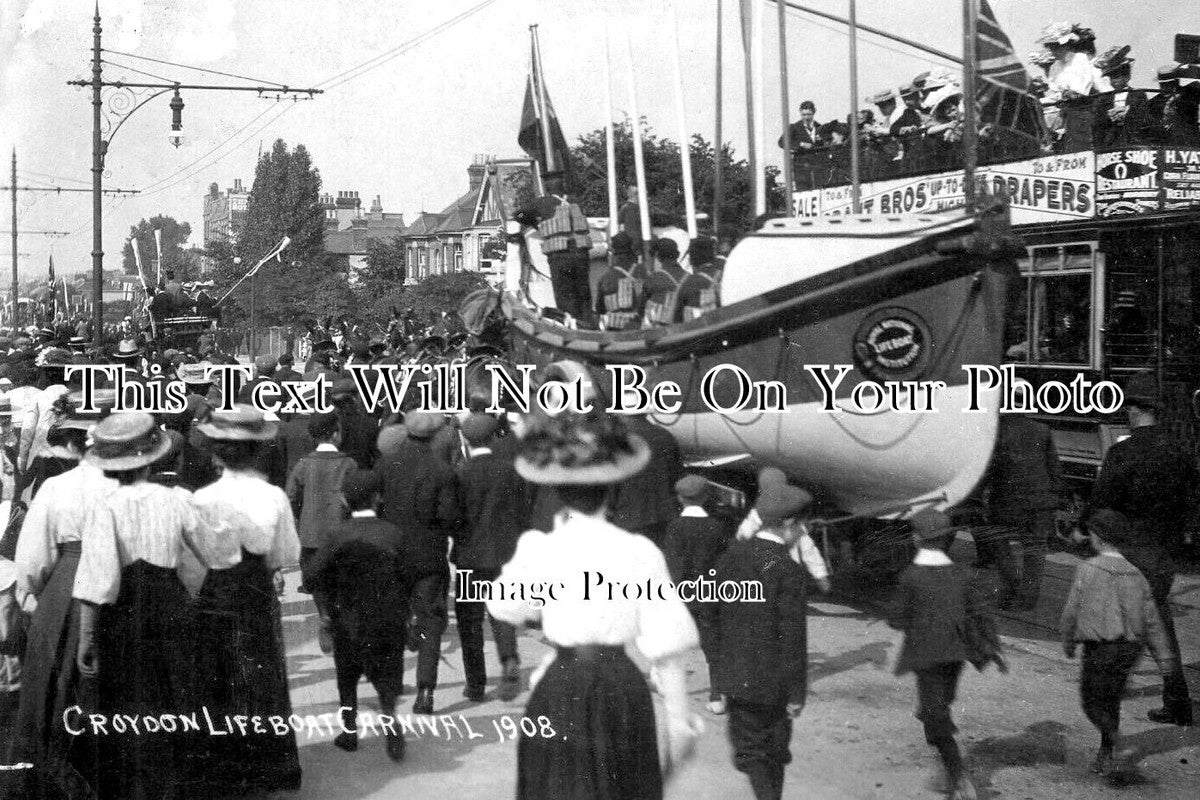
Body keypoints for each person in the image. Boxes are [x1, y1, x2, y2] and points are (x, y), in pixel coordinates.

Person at [487, 410, 702, 800]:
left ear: (560, 490)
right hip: (621, 685)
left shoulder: (540, 546)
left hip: (561, 685)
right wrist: (678, 723)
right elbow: (668, 647)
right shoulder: (640, 551)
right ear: (612, 488)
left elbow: (503, 607)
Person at [71, 412, 209, 800]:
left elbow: (99, 575)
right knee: (173, 693)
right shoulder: (177, 500)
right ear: (152, 458)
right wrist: (190, 596)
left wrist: (87, 635)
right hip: (170, 603)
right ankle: (171, 783)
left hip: (123, 611)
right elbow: (203, 560)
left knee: (126, 700)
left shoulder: (106, 506)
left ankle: (135, 785)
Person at [190, 406, 303, 793]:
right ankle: (266, 766)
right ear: (258, 451)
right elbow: (287, 554)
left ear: (215, 453)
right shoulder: (272, 496)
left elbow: (192, 557)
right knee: (261, 675)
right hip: (255, 590)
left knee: (217, 676)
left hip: (214, 592)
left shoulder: (200, 500)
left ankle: (224, 766)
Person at [8, 396, 114, 799]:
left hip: (66, 590)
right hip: (117, 591)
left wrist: (33, 598)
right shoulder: (132, 487)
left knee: (54, 690)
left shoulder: (57, 487)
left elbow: (32, 563)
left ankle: (57, 777)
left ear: (74, 441)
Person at [1081, 371, 1195, 726]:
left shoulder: (1122, 452)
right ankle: (1177, 702)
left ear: (1133, 410)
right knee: (1158, 624)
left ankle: (1113, 695)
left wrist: (1081, 526)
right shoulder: (1181, 451)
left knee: (1116, 629)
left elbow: (1102, 501)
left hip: (1129, 557)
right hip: (1165, 555)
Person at [887, 510, 1006, 800]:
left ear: (916, 539)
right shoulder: (963, 573)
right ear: (946, 540)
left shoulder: (910, 576)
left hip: (926, 657)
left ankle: (957, 775)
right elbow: (979, 612)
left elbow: (896, 619)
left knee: (933, 714)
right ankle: (945, 770)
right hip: (956, 656)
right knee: (938, 708)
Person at [709, 484, 811, 800]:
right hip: (774, 683)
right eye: (803, 526)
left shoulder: (729, 558)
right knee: (772, 751)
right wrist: (796, 692)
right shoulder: (788, 570)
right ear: (790, 525)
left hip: (736, 676)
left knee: (752, 750)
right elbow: (793, 637)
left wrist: (719, 676)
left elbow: (710, 617)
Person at [1061, 508, 1177, 775]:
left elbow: (1071, 611)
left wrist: (1068, 641)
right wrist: (1166, 659)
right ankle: (1106, 751)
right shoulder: (1137, 574)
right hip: (1130, 648)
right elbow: (1152, 619)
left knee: (1091, 700)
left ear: (1098, 539)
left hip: (1101, 646)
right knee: (1111, 698)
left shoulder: (1088, 569)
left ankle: (1115, 742)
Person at [308, 469, 408, 762]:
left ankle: (349, 732)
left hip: (348, 619)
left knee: (347, 675)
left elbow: (313, 574)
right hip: (387, 619)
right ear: (378, 499)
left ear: (344, 500)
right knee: (387, 675)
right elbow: (410, 573)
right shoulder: (394, 533)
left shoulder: (337, 534)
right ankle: (390, 721)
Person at [375, 410, 461, 715]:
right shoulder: (442, 472)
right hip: (429, 557)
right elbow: (449, 517)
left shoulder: (386, 466)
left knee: (392, 618)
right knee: (431, 622)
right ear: (436, 435)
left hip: (393, 555)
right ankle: (425, 692)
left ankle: (394, 682)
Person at [453, 413, 529, 702]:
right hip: (503, 555)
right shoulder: (510, 470)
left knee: (469, 621)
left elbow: (454, 516)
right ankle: (509, 658)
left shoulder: (460, 473)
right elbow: (523, 512)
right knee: (503, 612)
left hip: (470, 558)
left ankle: (475, 683)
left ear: (468, 440)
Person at [663, 475, 730, 715]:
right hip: (709, 595)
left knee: (672, 644)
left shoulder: (674, 527)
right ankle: (717, 695)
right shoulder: (717, 527)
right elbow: (723, 563)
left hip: (681, 595)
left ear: (680, 498)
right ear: (706, 497)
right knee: (713, 645)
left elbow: (672, 565)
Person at [983, 413, 1062, 610]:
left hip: (1006, 501)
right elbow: (1054, 468)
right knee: (1035, 550)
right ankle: (1027, 599)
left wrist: (978, 495)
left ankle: (1011, 586)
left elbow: (989, 467)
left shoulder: (997, 429)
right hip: (1038, 503)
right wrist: (1054, 498)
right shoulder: (1043, 429)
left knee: (998, 543)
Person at [286, 412, 355, 616]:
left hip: (310, 534)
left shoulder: (303, 464)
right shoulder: (349, 464)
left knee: (317, 582)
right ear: (336, 434)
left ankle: (324, 615)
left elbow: (290, 496)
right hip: (341, 533)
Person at [514, 171, 594, 324]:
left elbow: (519, 214)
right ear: (562, 185)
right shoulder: (576, 201)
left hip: (560, 256)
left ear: (546, 187)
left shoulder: (542, 203)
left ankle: (570, 327)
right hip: (581, 254)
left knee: (564, 296)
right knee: (583, 294)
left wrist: (536, 224)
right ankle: (588, 326)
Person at [595, 231, 645, 331]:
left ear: (614, 252)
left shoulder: (605, 278)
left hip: (614, 331)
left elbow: (600, 310)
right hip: (639, 328)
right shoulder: (643, 271)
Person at [642, 238, 688, 327]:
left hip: (661, 332)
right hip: (685, 329)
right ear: (677, 255)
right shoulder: (690, 277)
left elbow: (641, 308)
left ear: (658, 257)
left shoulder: (653, 279)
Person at [677, 236, 722, 321]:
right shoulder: (725, 273)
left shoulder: (689, 283)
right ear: (713, 255)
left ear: (691, 260)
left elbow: (676, 319)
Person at [618, 185, 645, 255]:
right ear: (636, 195)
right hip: (636, 242)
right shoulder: (638, 209)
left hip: (628, 241)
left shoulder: (624, 208)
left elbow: (619, 222)